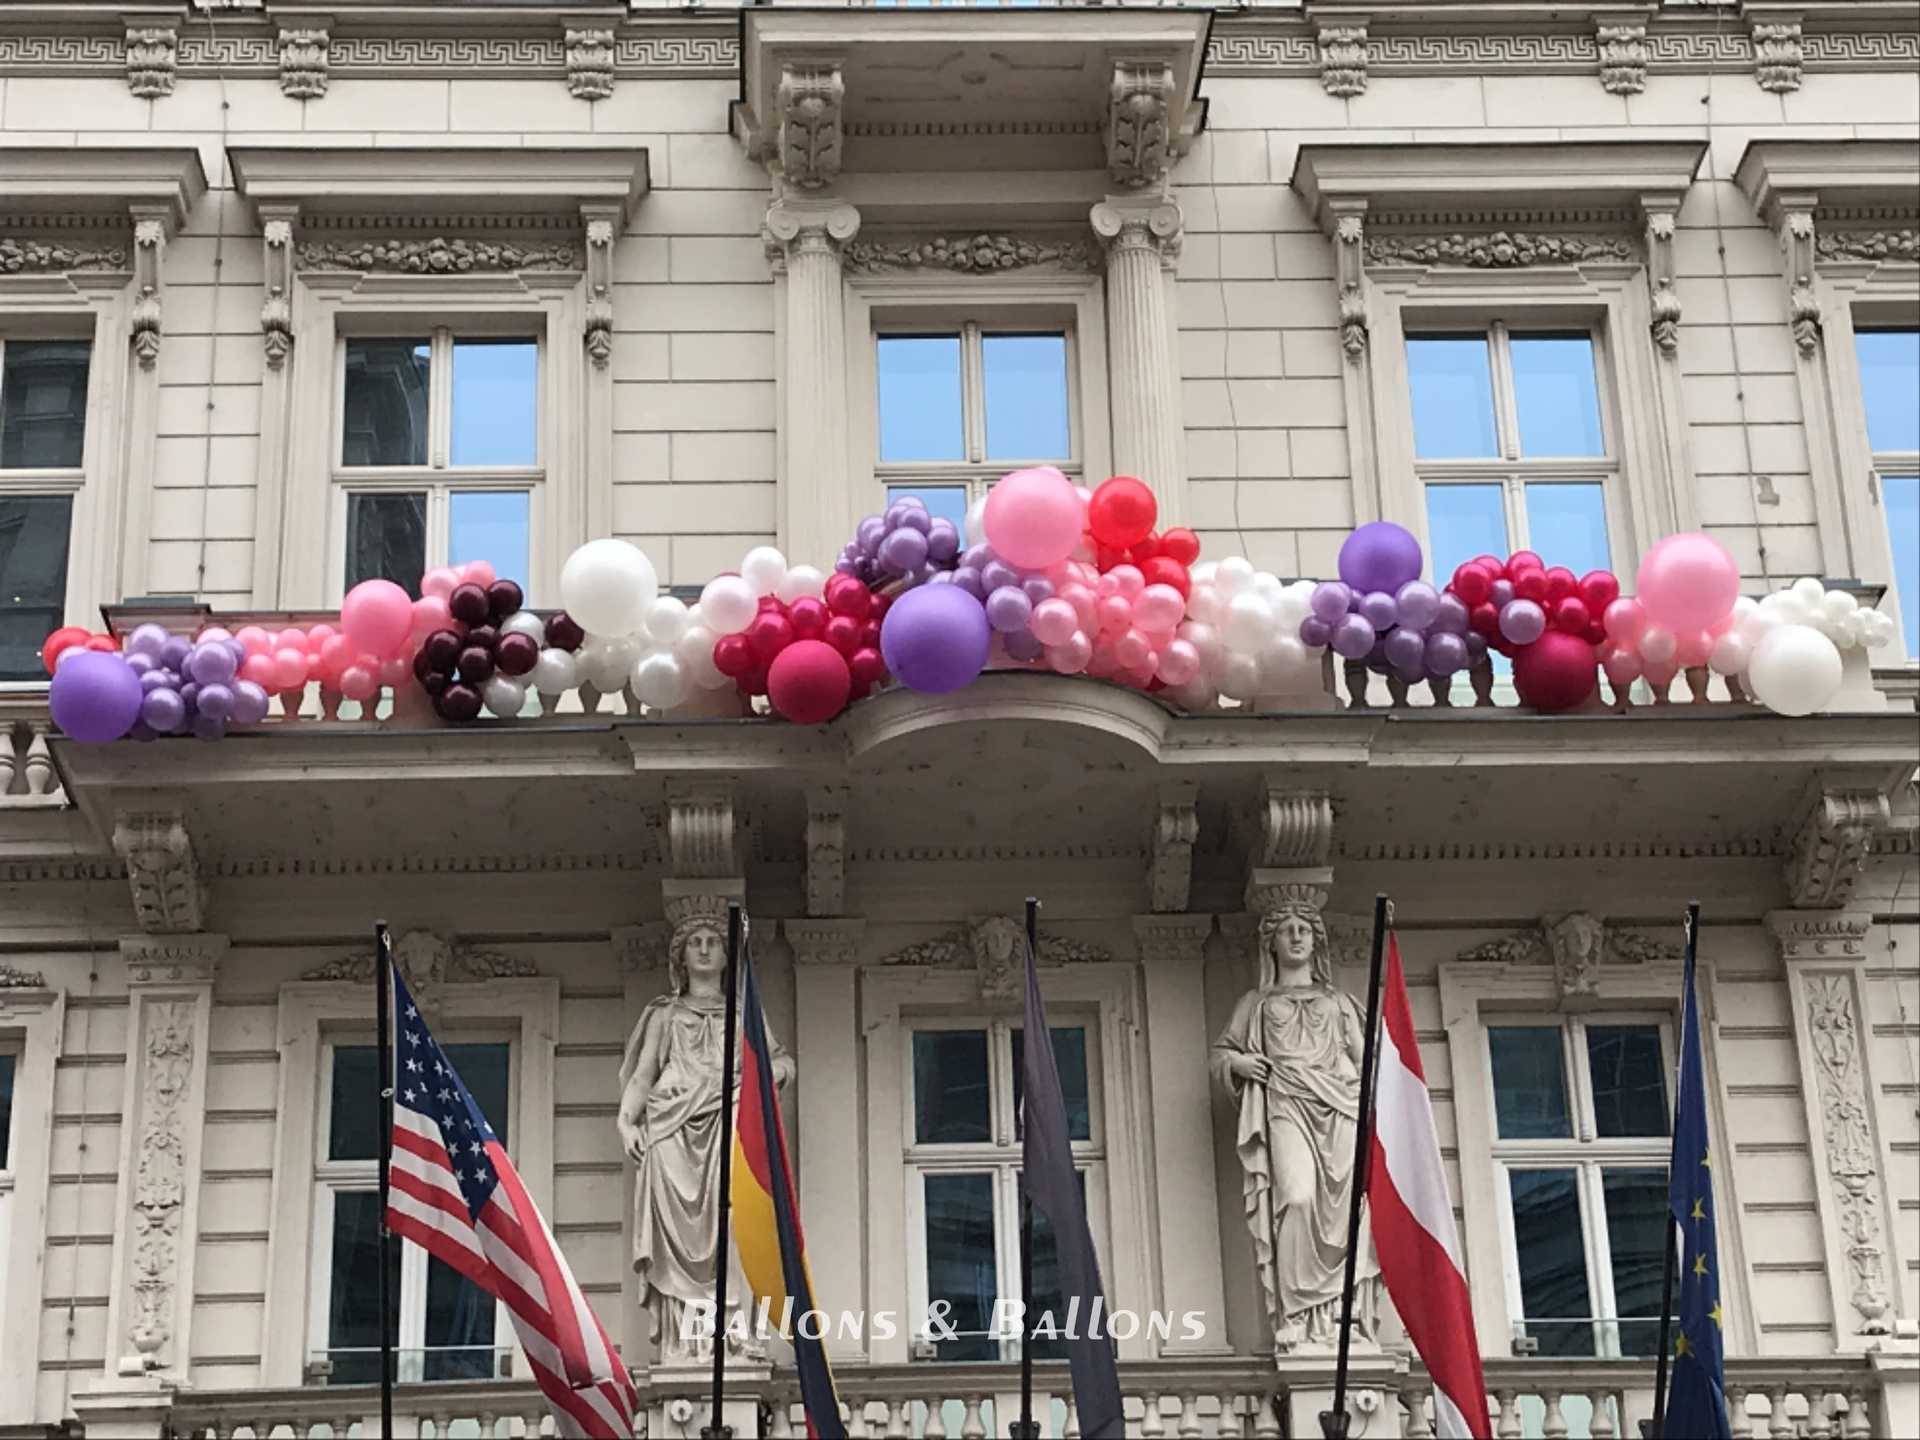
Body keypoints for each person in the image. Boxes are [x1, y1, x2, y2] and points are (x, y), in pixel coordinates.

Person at [617, 904, 793, 1360]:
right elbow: (642, 1076)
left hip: (728, 1123)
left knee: (735, 1225)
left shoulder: (742, 1014)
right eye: (695, 942)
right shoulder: (665, 1015)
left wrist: (768, 1075)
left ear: (725, 955)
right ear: (681, 956)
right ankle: (686, 1342)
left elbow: (780, 1061)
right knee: (676, 1243)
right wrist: (625, 1120)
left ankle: (732, 1332)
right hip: (671, 1130)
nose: (704, 949)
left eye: (713, 942)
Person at [1212, 896, 1376, 1353]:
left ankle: (1344, 1315)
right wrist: (1239, 1064)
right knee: (1298, 1199)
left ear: (1317, 940)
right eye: (1288, 929)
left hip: (1340, 1109)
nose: (1297, 936)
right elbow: (1222, 1054)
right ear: (1272, 943)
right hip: (1285, 1105)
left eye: (1305, 928)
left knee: (1346, 1215)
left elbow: (1368, 1066)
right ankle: (1298, 1313)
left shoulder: (1339, 1003)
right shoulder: (1257, 1004)